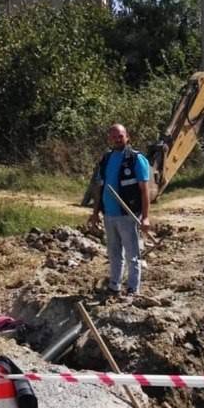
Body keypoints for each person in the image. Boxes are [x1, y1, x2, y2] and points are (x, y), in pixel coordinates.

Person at [87, 124, 152, 296]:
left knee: (132, 255)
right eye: (114, 136)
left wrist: (145, 217)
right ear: (110, 139)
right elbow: (99, 187)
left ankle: (133, 289)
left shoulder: (135, 159)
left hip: (128, 215)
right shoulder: (106, 159)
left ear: (127, 137)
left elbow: (145, 190)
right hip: (109, 214)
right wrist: (95, 213)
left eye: (120, 136)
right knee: (114, 253)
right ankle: (114, 286)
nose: (117, 139)